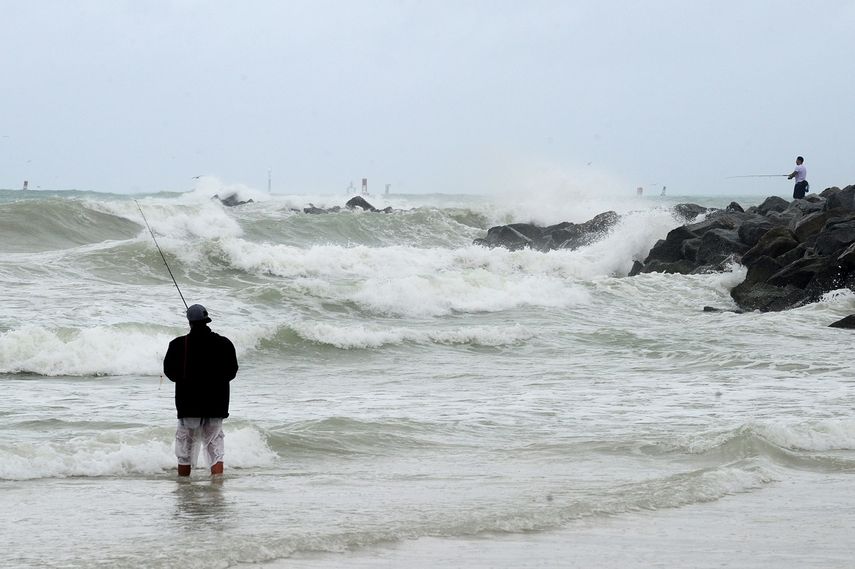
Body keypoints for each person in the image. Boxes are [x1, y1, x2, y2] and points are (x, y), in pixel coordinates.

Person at [163, 304, 238, 476]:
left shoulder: (177, 345)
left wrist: (186, 380)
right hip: (216, 404)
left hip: (188, 404)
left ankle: (184, 486)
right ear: (207, 320)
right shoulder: (224, 343)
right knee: (215, 446)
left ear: (189, 322)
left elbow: (170, 372)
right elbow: (231, 372)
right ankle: (216, 486)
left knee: (184, 448)